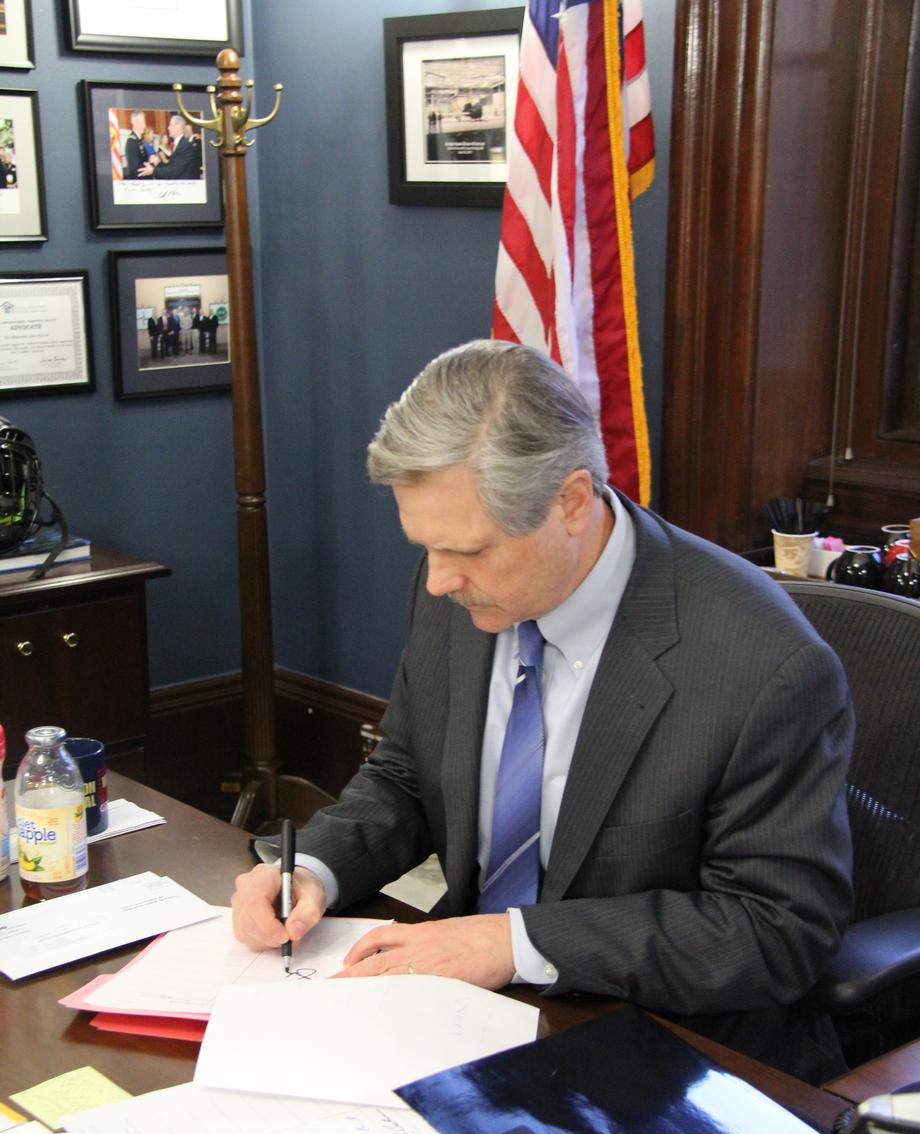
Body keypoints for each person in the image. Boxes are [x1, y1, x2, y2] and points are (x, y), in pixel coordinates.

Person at [231, 340, 855, 1081]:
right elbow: (404, 774)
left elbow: (772, 930)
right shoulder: (460, 580)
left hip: (663, 1049)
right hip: (457, 1018)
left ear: (571, 501)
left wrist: (517, 942)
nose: (436, 582)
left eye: (468, 551)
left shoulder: (763, 665)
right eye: (425, 547)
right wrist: (318, 868)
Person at [138, 114, 201, 179]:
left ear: (178, 127)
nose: (168, 128)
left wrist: (153, 170)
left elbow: (175, 170)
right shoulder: (179, 144)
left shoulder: (186, 146)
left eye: (171, 125)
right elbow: (171, 165)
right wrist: (154, 166)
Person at [122, 110, 147, 179]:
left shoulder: (138, 140)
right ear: (134, 123)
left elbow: (143, 160)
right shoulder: (132, 142)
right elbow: (135, 170)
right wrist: (152, 165)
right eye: (142, 122)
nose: (144, 126)